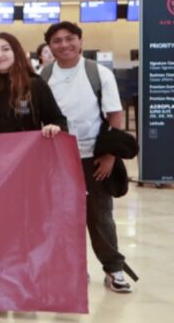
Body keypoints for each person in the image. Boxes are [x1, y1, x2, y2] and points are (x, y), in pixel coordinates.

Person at [41, 21, 133, 293]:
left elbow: (114, 115)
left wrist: (109, 156)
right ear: (50, 46)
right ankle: (73, 269)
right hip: (57, 158)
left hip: (93, 157)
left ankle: (113, 269)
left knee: (100, 216)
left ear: (80, 41)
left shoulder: (98, 73)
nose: (64, 45)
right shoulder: (43, 76)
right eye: (57, 41)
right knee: (62, 217)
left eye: (70, 38)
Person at [0, 32, 67, 136]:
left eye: (5, 49)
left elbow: (58, 120)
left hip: (27, 146)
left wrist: (54, 127)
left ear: (16, 52)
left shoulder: (35, 84)